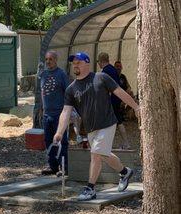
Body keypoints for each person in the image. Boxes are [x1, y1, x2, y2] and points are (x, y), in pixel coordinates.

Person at [53, 52, 140, 201]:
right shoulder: (71, 89)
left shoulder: (101, 78)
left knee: (95, 154)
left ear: (87, 63)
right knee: (103, 154)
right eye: (73, 62)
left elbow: (120, 92)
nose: (75, 64)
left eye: (78, 62)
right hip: (91, 128)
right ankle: (125, 172)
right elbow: (66, 112)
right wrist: (59, 132)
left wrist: (137, 107)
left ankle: (90, 189)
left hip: (107, 122)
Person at [40, 50, 69, 175]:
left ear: (56, 60)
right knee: (48, 140)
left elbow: (68, 93)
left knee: (61, 141)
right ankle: (53, 166)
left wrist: (68, 111)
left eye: (50, 59)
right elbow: (41, 93)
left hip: (59, 113)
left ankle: (64, 167)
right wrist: (42, 108)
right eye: (46, 59)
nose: (48, 62)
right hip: (47, 114)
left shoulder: (61, 74)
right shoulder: (43, 74)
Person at [97, 52, 130, 149]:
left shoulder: (105, 72)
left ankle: (122, 143)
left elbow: (104, 88)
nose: (98, 63)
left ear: (101, 61)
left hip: (110, 100)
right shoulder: (113, 69)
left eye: (98, 61)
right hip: (116, 99)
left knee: (110, 122)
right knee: (118, 121)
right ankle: (125, 142)